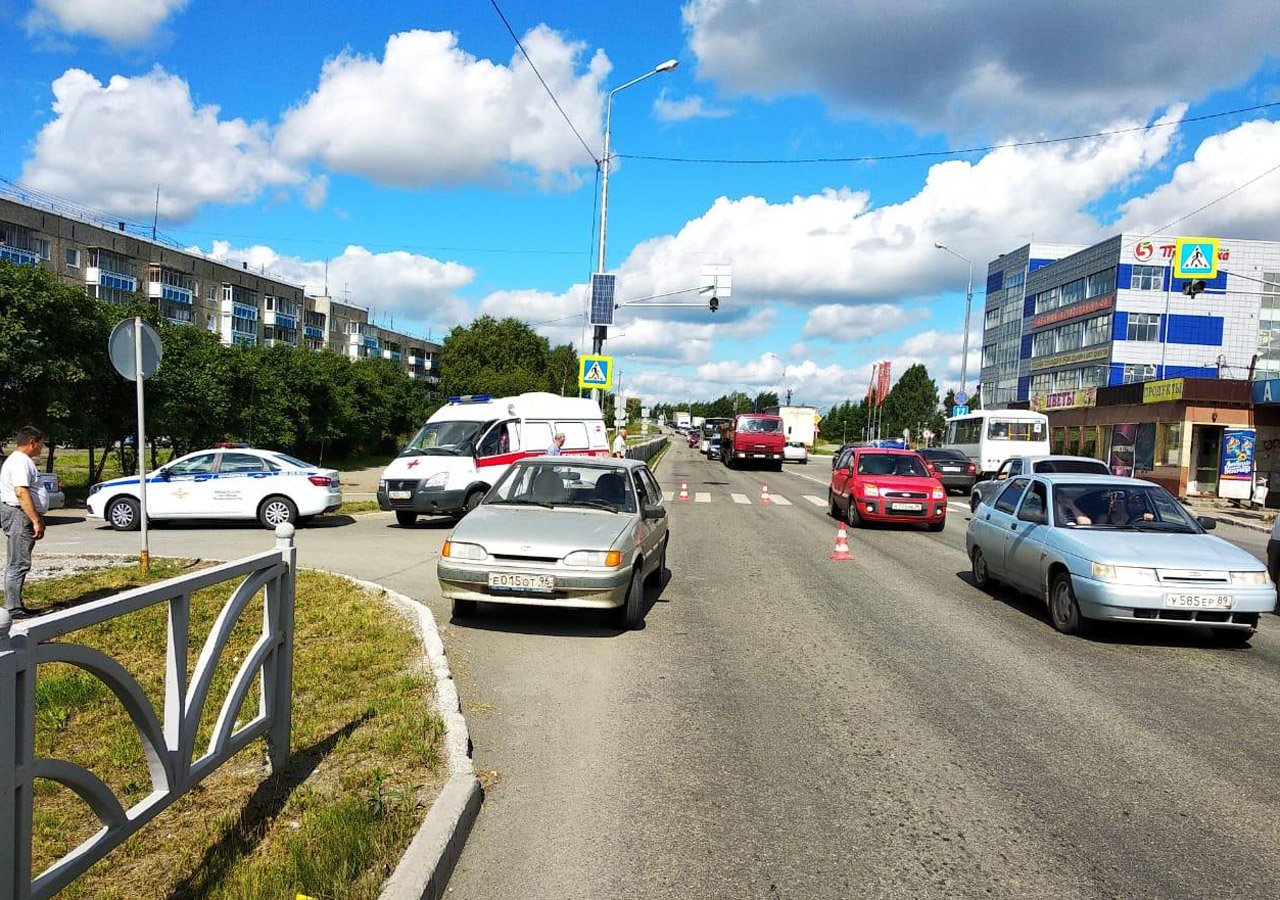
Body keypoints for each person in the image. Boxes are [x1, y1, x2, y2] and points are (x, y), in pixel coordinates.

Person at [2, 426, 48, 618]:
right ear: (32, 442)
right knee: (18, 562)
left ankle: (16, 604)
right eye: (41, 444)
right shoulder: (21, 462)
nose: (42, 448)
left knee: (18, 560)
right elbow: (21, 492)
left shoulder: (17, 460)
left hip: (19, 513)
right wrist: (35, 519)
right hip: (19, 514)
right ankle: (13, 608)